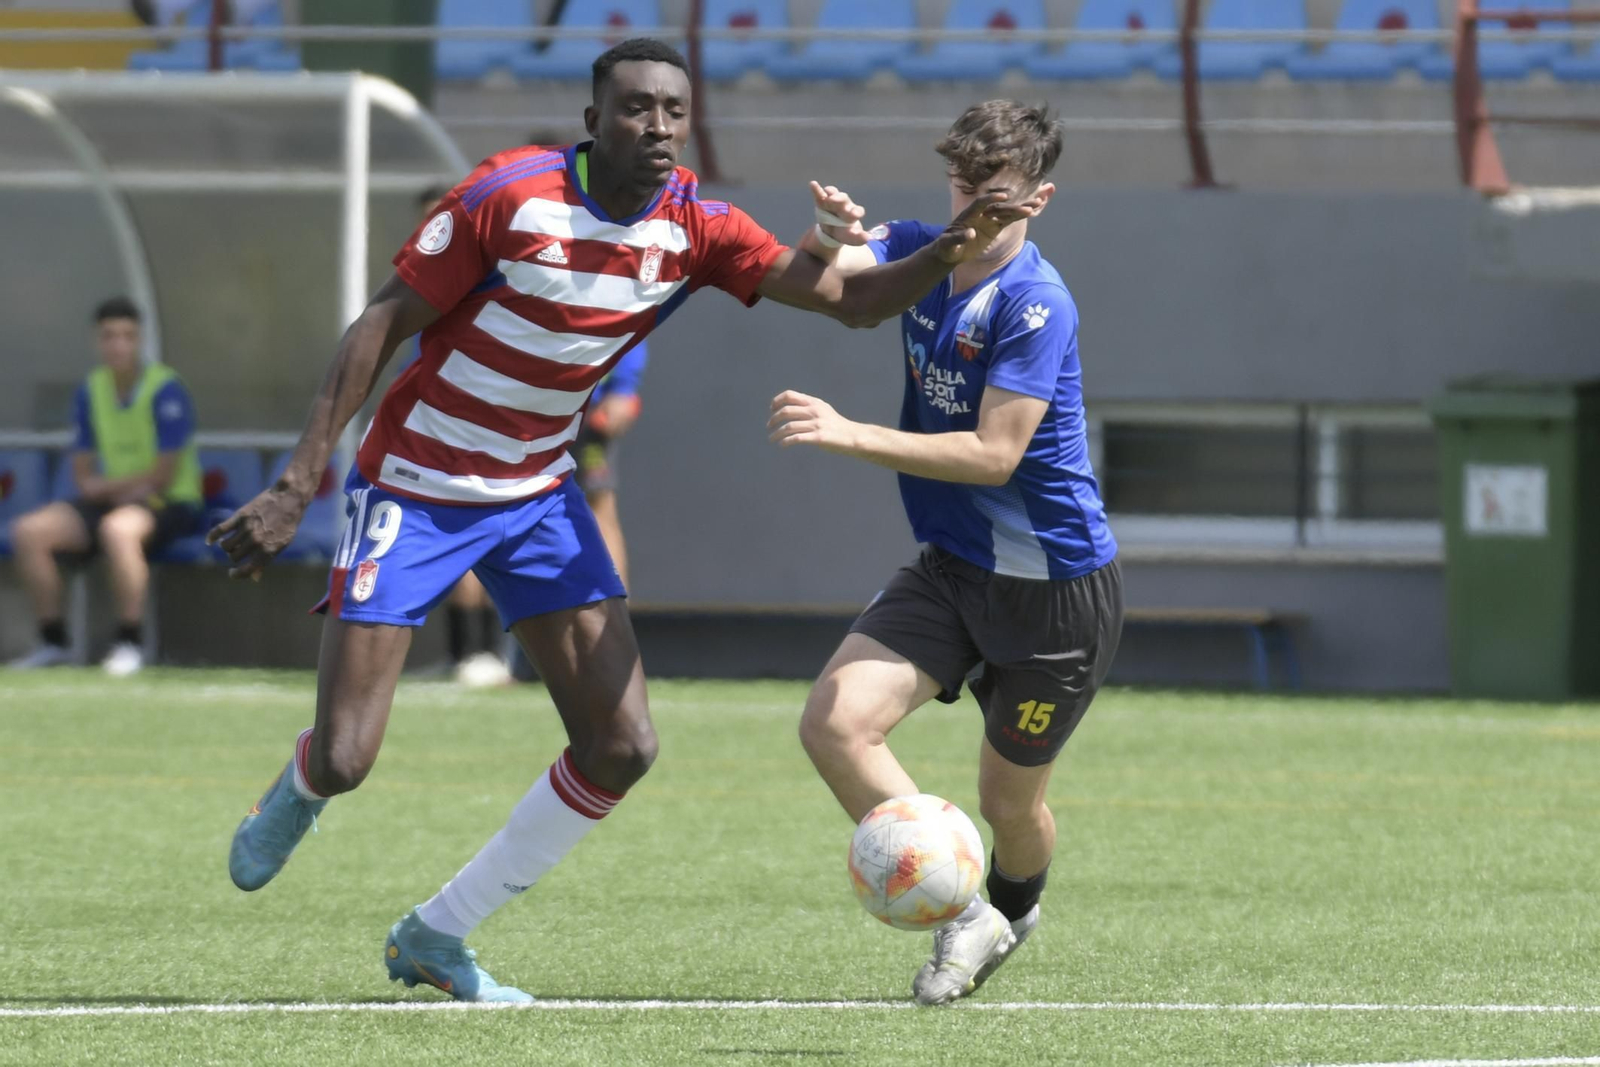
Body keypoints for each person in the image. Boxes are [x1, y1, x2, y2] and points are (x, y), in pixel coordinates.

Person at [211, 38, 1039, 1004]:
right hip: (413, 484)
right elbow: (379, 326)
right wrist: (297, 478)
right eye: (637, 108)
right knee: (351, 757)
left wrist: (950, 247)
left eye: (673, 111)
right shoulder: (507, 196)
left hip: (535, 493)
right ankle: (303, 784)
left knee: (623, 745)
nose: (658, 126)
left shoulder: (696, 224)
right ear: (594, 118)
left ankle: (437, 935)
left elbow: (850, 303)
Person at [769, 101, 1124, 1006]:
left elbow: (993, 454)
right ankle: (962, 910)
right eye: (963, 188)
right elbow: (838, 269)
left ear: (1037, 200)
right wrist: (826, 233)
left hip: (1053, 592)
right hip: (951, 569)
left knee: (1008, 805)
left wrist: (851, 434)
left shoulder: (1038, 304)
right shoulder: (926, 246)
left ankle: (1014, 904)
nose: (972, 211)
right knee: (836, 723)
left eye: (995, 197)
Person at [7, 296, 202, 676]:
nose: (118, 345)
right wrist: (114, 489)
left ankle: (129, 641)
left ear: (139, 340)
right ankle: (53, 641)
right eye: (109, 336)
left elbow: (163, 474)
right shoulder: (90, 390)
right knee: (29, 532)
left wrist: (112, 488)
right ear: (97, 342)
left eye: (127, 336)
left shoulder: (166, 389)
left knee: (118, 531)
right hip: (114, 497)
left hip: (170, 502)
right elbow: (82, 472)